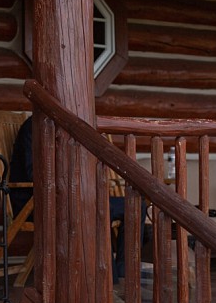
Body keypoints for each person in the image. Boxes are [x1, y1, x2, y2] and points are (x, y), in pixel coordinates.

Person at [9, 114, 146, 285]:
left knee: (135, 205)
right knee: (98, 208)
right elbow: (34, 174)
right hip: (36, 203)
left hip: (73, 197)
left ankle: (125, 275)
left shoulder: (69, 127)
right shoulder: (36, 126)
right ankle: (109, 285)